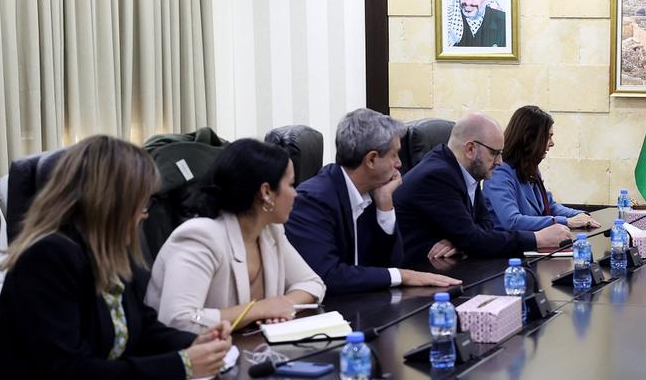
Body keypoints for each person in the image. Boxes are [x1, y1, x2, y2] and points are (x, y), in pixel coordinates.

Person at [0, 136, 232, 380]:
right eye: (141, 202)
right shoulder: (47, 258)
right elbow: (67, 372)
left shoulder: (109, 252)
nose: (145, 214)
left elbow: (142, 328)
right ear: (112, 202)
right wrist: (182, 365)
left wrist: (194, 342)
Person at [146, 139, 326, 333]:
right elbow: (177, 320)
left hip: (246, 347)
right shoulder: (200, 237)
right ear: (266, 192)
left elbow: (312, 283)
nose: (295, 194)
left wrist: (283, 304)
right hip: (189, 351)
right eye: (290, 184)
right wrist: (259, 310)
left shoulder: (271, 232)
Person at [285, 108, 461, 295]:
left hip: (364, 304)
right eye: (394, 154)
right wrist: (403, 276)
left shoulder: (372, 191)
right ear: (371, 159)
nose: (399, 163)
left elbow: (389, 264)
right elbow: (327, 276)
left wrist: (385, 205)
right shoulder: (312, 201)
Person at [395, 112, 573, 266]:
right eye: (495, 153)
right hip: (416, 275)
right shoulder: (438, 176)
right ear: (470, 149)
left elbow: (485, 226)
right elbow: (473, 238)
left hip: (447, 266)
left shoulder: (466, 171)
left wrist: (463, 241)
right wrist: (537, 239)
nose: (500, 162)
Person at [484, 105, 599, 232]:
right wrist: (567, 221)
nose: (552, 143)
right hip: (509, 243)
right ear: (529, 139)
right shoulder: (499, 173)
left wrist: (582, 215)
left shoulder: (529, 167)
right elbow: (513, 221)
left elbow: (549, 206)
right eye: (548, 136)